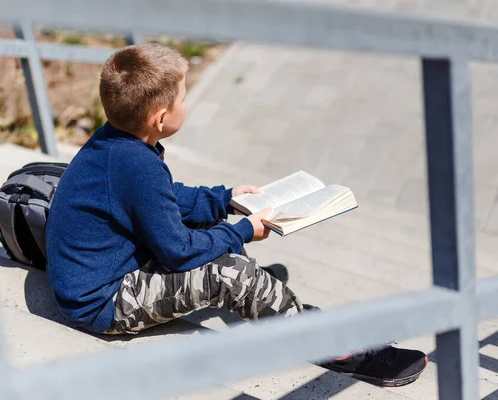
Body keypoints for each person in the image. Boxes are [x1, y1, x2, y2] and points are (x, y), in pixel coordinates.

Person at [46, 43, 427, 387]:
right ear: (160, 119)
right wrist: (243, 230)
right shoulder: (135, 164)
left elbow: (164, 198)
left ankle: (262, 297)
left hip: (104, 271)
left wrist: (226, 199)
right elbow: (177, 251)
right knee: (227, 272)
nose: (186, 103)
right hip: (104, 302)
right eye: (183, 97)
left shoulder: (117, 142)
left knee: (211, 225)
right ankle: (333, 346)